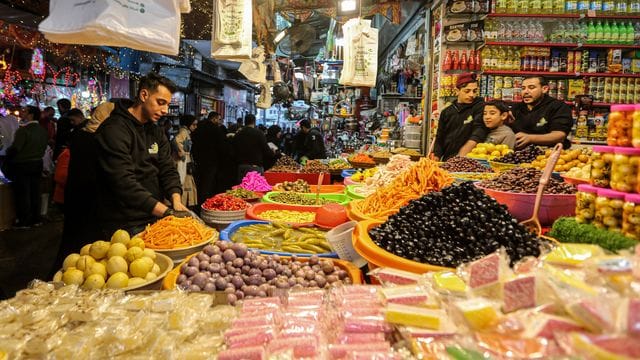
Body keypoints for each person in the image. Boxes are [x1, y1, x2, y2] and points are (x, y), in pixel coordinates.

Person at [95, 72, 188, 236]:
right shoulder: (114, 129)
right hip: (122, 223)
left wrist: (176, 200)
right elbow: (123, 182)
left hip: (153, 216)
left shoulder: (156, 131)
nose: (165, 110)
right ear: (144, 95)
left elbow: (168, 169)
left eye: (167, 104)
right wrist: (167, 212)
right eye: (160, 102)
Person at [52, 101, 115, 275]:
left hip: (76, 198)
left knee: (71, 244)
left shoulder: (80, 135)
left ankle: (61, 277)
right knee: (87, 250)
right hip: (90, 200)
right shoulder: (98, 140)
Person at [5, 106, 48, 229]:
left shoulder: (23, 130)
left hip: (22, 165)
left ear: (31, 115)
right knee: (35, 192)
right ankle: (36, 219)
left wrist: (8, 155)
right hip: (37, 163)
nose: (22, 113)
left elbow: (16, 148)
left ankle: (24, 221)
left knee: (22, 193)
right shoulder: (42, 130)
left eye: (24, 111)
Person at [433, 73, 486, 161]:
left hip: (471, 161)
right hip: (448, 160)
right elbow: (440, 137)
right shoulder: (447, 112)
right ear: (457, 91)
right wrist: (436, 156)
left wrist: (464, 151)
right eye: (467, 91)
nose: (471, 95)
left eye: (475, 91)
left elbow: (479, 129)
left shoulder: (480, 106)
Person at [510, 76, 573, 149]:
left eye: (531, 87)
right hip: (519, 154)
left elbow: (560, 135)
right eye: (523, 88)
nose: (526, 92)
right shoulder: (517, 107)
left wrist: (530, 138)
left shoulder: (558, 106)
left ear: (544, 89)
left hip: (549, 153)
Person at [191, 111, 227, 204]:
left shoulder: (198, 127)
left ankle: (197, 202)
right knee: (207, 184)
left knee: (198, 183)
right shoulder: (216, 129)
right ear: (214, 118)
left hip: (198, 160)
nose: (219, 122)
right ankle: (205, 203)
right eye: (218, 119)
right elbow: (222, 147)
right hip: (211, 161)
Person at [232, 113, 273, 181]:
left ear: (245, 122)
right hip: (255, 166)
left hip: (241, 166)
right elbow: (266, 150)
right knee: (256, 189)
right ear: (254, 121)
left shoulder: (238, 134)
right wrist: (272, 152)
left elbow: (233, 149)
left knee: (242, 189)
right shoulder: (259, 133)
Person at [174, 114, 198, 207]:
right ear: (188, 124)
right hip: (183, 163)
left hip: (185, 161)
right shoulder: (184, 132)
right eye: (194, 124)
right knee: (184, 183)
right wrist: (183, 154)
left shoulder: (185, 132)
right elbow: (176, 142)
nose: (195, 127)